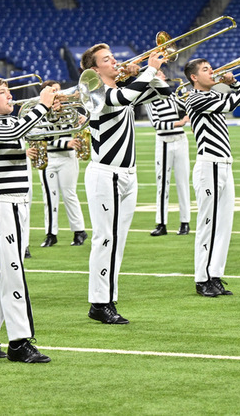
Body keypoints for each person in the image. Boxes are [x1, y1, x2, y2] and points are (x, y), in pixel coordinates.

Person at [0, 77, 58, 363]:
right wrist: (42, 106)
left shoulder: (12, 121)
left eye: (8, 91)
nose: (9, 96)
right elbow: (17, 131)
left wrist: (54, 110)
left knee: (9, 270)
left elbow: (42, 131)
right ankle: (19, 341)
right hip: (1, 202)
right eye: (2, 92)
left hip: (19, 202)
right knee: (14, 271)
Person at [82, 43, 166, 324]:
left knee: (117, 241)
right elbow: (123, 96)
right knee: (105, 239)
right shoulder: (97, 94)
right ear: (95, 70)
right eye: (107, 59)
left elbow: (163, 93)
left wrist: (148, 74)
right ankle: (99, 302)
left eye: (113, 57)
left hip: (127, 174)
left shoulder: (121, 90)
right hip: (106, 174)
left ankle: (107, 298)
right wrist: (148, 70)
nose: (115, 61)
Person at [183, 57, 240, 297]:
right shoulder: (195, 98)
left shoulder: (214, 94)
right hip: (209, 164)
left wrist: (236, 83)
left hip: (224, 164)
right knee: (208, 224)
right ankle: (202, 279)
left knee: (224, 224)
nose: (212, 72)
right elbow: (230, 104)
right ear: (194, 77)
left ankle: (214, 275)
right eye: (206, 70)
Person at [36, 81, 88, 249]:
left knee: (69, 194)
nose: (58, 94)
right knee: (49, 198)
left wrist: (83, 121)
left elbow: (81, 125)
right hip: (49, 158)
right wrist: (66, 143)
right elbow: (42, 135)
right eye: (53, 91)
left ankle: (79, 231)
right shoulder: (39, 112)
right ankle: (51, 234)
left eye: (59, 90)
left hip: (67, 158)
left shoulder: (69, 110)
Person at [145, 70, 191, 236]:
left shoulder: (171, 95)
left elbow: (186, 106)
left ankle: (185, 222)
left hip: (180, 140)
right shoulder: (149, 99)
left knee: (183, 182)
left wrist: (186, 97)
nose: (163, 76)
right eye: (159, 74)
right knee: (162, 184)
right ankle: (161, 223)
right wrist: (179, 123)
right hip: (164, 142)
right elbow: (157, 124)